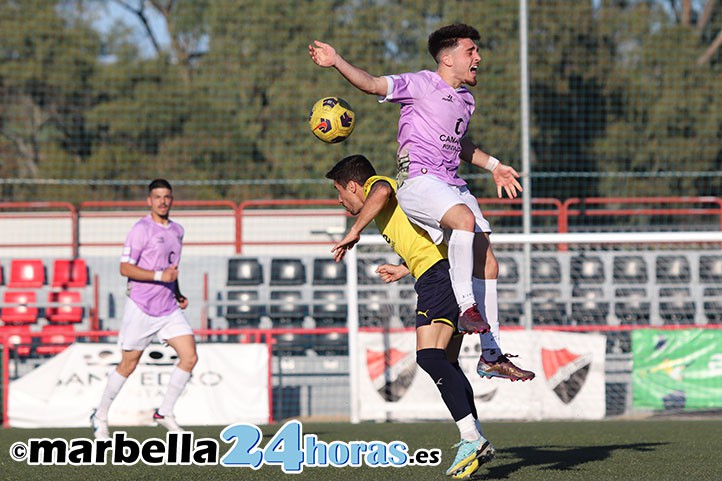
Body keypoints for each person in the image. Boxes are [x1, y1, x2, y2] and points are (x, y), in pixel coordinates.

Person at [310, 24, 526, 374]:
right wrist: (337, 61)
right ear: (447, 57)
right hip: (418, 180)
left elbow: (460, 145)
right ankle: (467, 307)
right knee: (464, 222)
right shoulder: (423, 83)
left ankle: (490, 354)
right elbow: (372, 84)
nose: (478, 57)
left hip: (451, 183)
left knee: (488, 263)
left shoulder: (465, 100)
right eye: (470, 52)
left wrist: (495, 166)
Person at [326, 155, 532, 478]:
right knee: (446, 360)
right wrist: (403, 268)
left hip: (438, 278)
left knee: (429, 357)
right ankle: (474, 435)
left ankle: (471, 438)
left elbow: (380, 190)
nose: (341, 201)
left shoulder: (377, 187)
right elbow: (428, 241)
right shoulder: (393, 208)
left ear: (354, 185)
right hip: (441, 272)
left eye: (340, 193)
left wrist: (354, 232)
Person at [91, 179, 198, 439]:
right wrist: (161, 277)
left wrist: (177, 291)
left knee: (190, 356)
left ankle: (164, 412)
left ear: (172, 200)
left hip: (168, 307)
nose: (163, 201)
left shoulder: (178, 230)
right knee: (128, 365)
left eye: (167, 197)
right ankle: (100, 415)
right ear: (149, 200)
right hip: (142, 306)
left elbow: (171, 268)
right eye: (157, 197)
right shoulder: (140, 229)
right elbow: (125, 268)